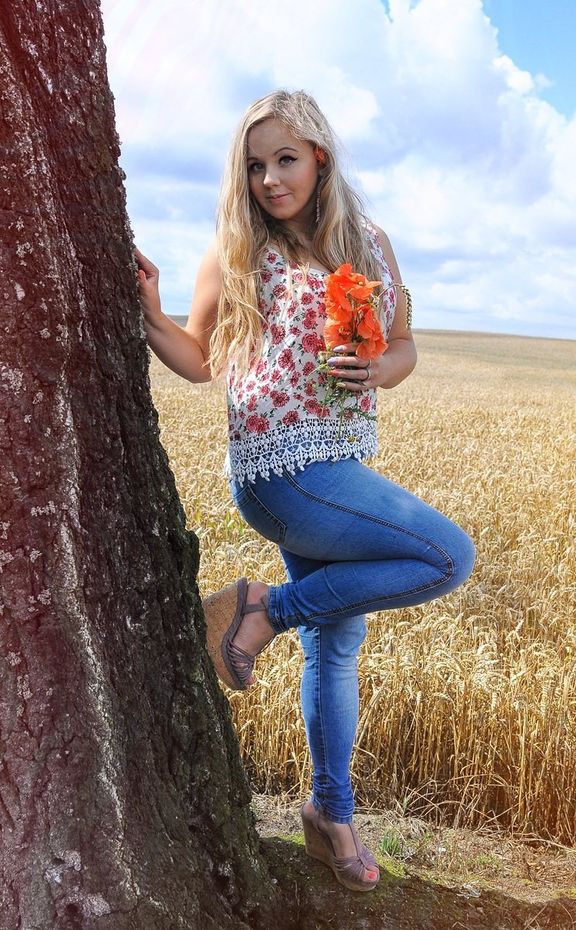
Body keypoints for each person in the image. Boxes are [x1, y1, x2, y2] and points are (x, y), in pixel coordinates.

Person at [135, 89, 476, 894]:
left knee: (337, 644)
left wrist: (380, 369)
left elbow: (403, 345)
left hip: (342, 462)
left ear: (318, 156)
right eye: (255, 166)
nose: (269, 179)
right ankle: (261, 610)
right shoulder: (237, 250)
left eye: (285, 159)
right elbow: (199, 358)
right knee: (446, 556)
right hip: (283, 474)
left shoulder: (371, 243)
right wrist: (151, 316)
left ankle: (331, 818)